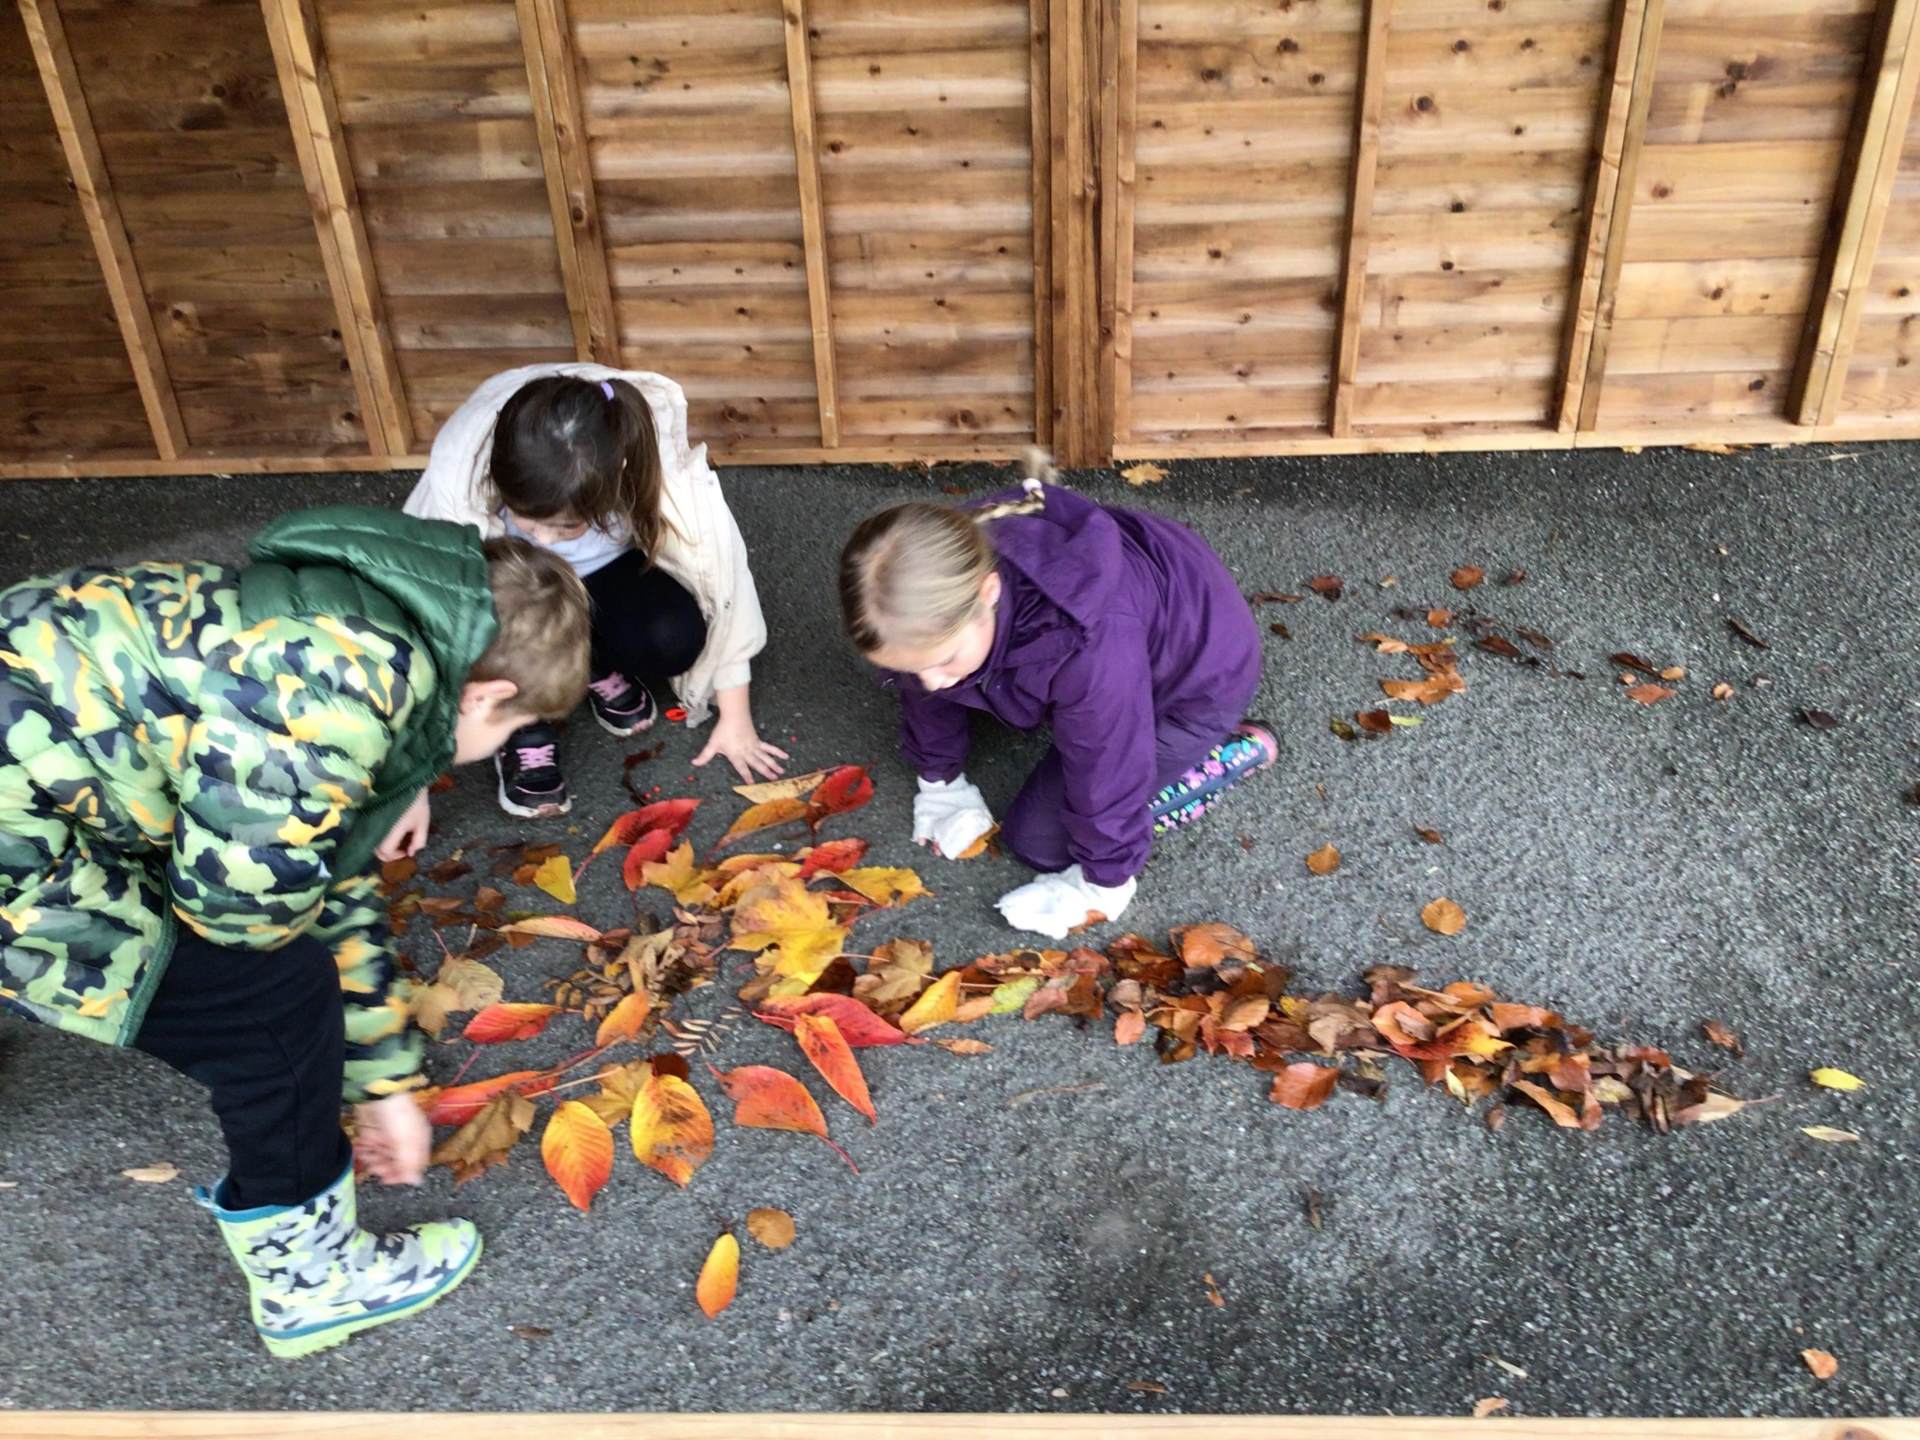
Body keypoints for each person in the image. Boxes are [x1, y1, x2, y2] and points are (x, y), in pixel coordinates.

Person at [0, 507, 590, 1357]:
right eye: (511, 729)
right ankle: (311, 1281)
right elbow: (242, 910)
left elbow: (321, 865)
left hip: (31, 771)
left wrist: (382, 1085)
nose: (496, 744)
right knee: (270, 1007)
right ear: (487, 694)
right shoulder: (338, 691)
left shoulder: (347, 620)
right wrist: (347, 1065)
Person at [839, 453, 1274, 940]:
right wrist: (939, 779)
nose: (931, 682)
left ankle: (1228, 753)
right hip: (1135, 619)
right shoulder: (935, 573)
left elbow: (1108, 761)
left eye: (944, 660)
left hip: (1193, 682)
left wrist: (1105, 882)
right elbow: (924, 678)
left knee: (1040, 841)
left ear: (988, 592)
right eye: (911, 669)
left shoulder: (1086, 645)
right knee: (951, 673)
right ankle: (1005, 683)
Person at [403, 363, 779, 815]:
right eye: (528, 521)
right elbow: (420, 613)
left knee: (673, 636)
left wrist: (736, 718)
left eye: (567, 527)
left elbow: (725, 583)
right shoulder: (456, 484)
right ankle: (521, 721)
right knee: (491, 620)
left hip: (603, 580)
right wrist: (408, 787)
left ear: (616, 478)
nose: (544, 541)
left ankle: (590, 660)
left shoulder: (665, 475)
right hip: (510, 588)